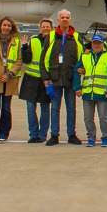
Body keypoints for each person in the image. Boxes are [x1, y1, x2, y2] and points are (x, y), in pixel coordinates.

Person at [41, 9, 84, 146]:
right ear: (58, 20)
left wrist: (81, 72)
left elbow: (82, 57)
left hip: (71, 78)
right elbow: (43, 58)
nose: (65, 19)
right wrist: (45, 78)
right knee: (55, 108)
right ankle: (54, 135)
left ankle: (71, 134)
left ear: (70, 20)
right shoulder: (51, 36)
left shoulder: (76, 37)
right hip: (54, 78)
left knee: (71, 108)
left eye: (67, 17)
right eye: (62, 17)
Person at [74, 33, 107, 147]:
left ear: (103, 44)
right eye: (94, 43)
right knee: (88, 117)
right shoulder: (85, 56)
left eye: (99, 43)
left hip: (102, 92)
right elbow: (77, 71)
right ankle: (91, 137)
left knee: (103, 117)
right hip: (88, 92)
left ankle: (105, 137)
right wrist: (77, 87)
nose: (96, 45)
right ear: (91, 44)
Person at [19, 18, 53, 143]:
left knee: (45, 108)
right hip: (31, 79)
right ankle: (33, 134)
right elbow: (26, 60)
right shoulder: (33, 41)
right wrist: (24, 47)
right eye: (43, 27)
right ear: (40, 28)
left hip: (46, 79)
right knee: (30, 108)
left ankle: (42, 134)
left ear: (51, 28)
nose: (45, 28)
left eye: (47, 27)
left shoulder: (54, 41)